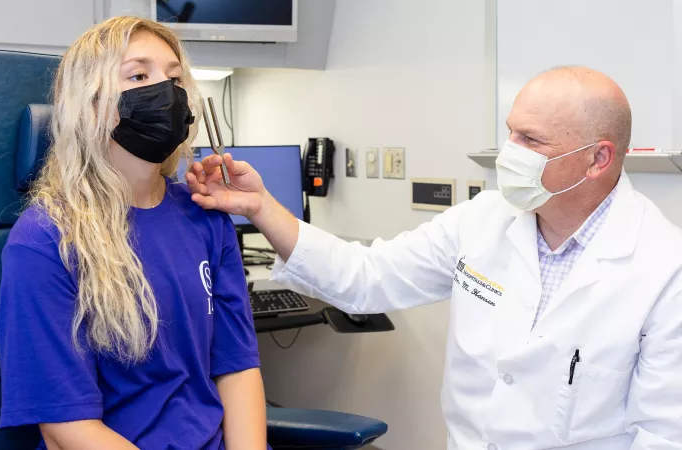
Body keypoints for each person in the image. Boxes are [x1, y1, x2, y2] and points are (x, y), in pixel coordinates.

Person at [186, 67, 682, 449]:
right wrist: (261, 205)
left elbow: (662, 434)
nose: (509, 153)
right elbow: (365, 278)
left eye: (531, 141)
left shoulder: (664, 269)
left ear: (598, 159)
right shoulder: (485, 218)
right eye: (511, 132)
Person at [0, 17, 267, 450]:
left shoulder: (207, 217)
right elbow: (67, 427)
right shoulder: (46, 239)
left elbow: (236, 367)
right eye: (139, 75)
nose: (167, 91)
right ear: (90, 105)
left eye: (175, 78)